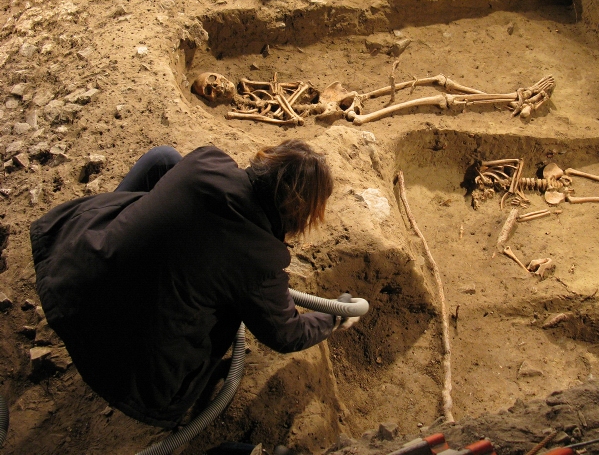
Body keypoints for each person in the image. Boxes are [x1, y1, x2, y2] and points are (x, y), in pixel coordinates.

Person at [30, 140, 357, 428]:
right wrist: (333, 315)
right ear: (300, 211)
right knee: (232, 309)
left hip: (72, 281)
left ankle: (110, 260)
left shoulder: (207, 161)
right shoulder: (262, 262)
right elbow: (287, 334)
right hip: (128, 372)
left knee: (164, 160)